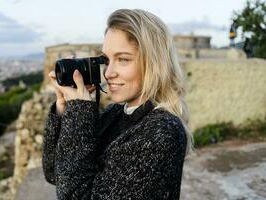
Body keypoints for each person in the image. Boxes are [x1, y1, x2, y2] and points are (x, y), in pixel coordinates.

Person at [42, 8, 193, 200]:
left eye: (122, 59)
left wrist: (80, 113)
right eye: (106, 60)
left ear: (154, 63)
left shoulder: (163, 131)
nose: (108, 73)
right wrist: (65, 111)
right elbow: (55, 173)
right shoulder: (116, 113)